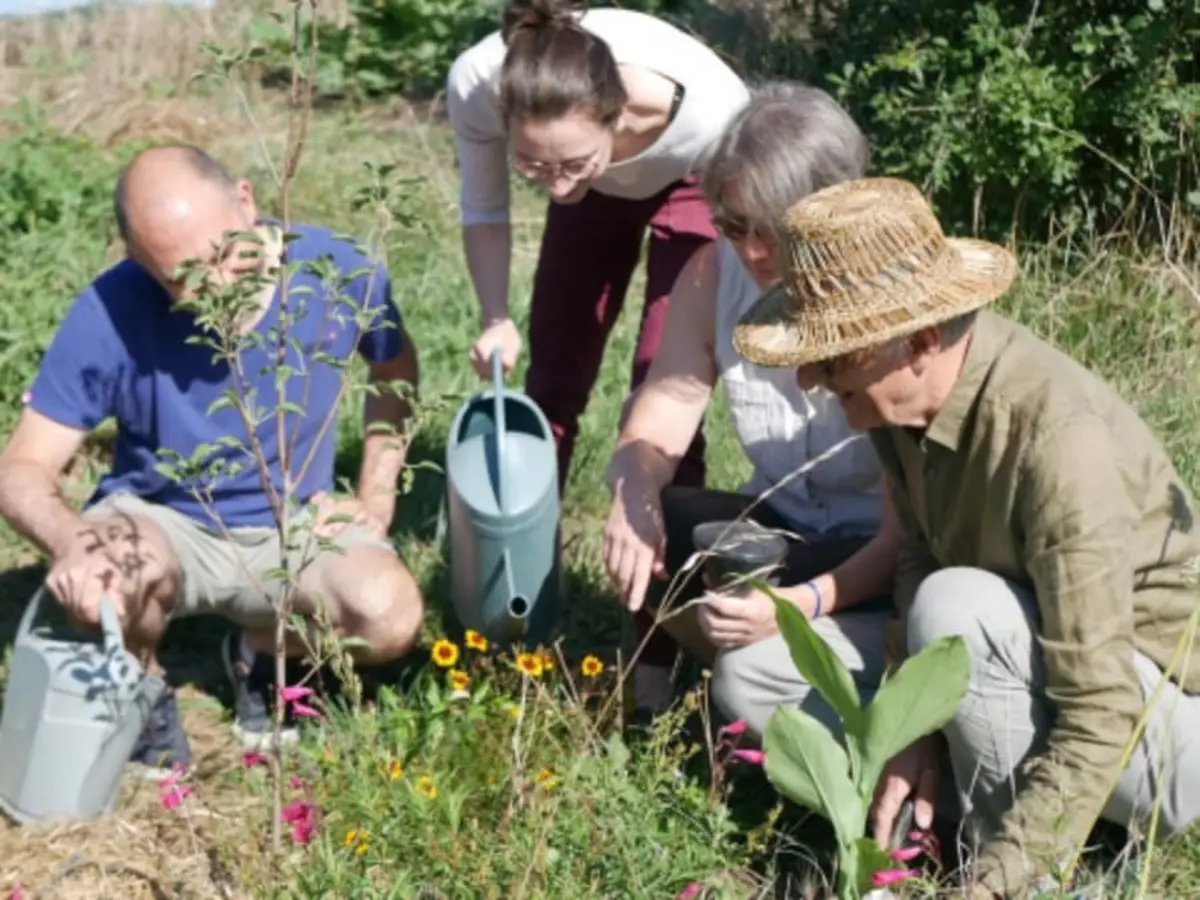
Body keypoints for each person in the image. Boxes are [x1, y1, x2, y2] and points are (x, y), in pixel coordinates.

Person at [730, 175, 1200, 896]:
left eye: (834, 354)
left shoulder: (1056, 440)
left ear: (920, 340)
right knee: (752, 675)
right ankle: (939, 818)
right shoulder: (897, 403)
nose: (809, 378)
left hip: (1156, 732)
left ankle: (1050, 865)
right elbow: (917, 558)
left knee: (955, 608)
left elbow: (1102, 712)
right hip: (1019, 662)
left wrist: (994, 888)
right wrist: (910, 724)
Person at [0, 145, 425, 774]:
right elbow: (21, 470)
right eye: (181, 277)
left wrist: (376, 498)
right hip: (164, 518)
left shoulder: (337, 272)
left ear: (247, 202)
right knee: (111, 576)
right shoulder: (111, 309)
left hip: (296, 523)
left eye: (226, 255)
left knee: (390, 616)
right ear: (141, 264)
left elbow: (395, 369)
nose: (217, 288)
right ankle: (144, 691)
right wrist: (73, 541)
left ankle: (263, 650)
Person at [601, 82, 900, 733]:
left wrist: (801, 605)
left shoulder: (893, 291)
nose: (752, 250)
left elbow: (913, 530)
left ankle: (795, 676)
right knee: (665, 518)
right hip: (781, 530)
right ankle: (651, 692)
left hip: (881, 554)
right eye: (733, 224)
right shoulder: (713, 277)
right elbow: (665, 409)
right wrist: (633, 483)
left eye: (771, 230)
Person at [446, 0, 749, 492]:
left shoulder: (715, 113)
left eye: (571, 164)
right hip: (601, 184)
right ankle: (526, 546)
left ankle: (667, 559)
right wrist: (495, 318)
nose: (557, 190)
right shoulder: (478, 83)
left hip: (693, 174)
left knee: (664, 378)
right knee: (553, 367)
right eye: (531, 164)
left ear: (618, 116)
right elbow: (484, 210)